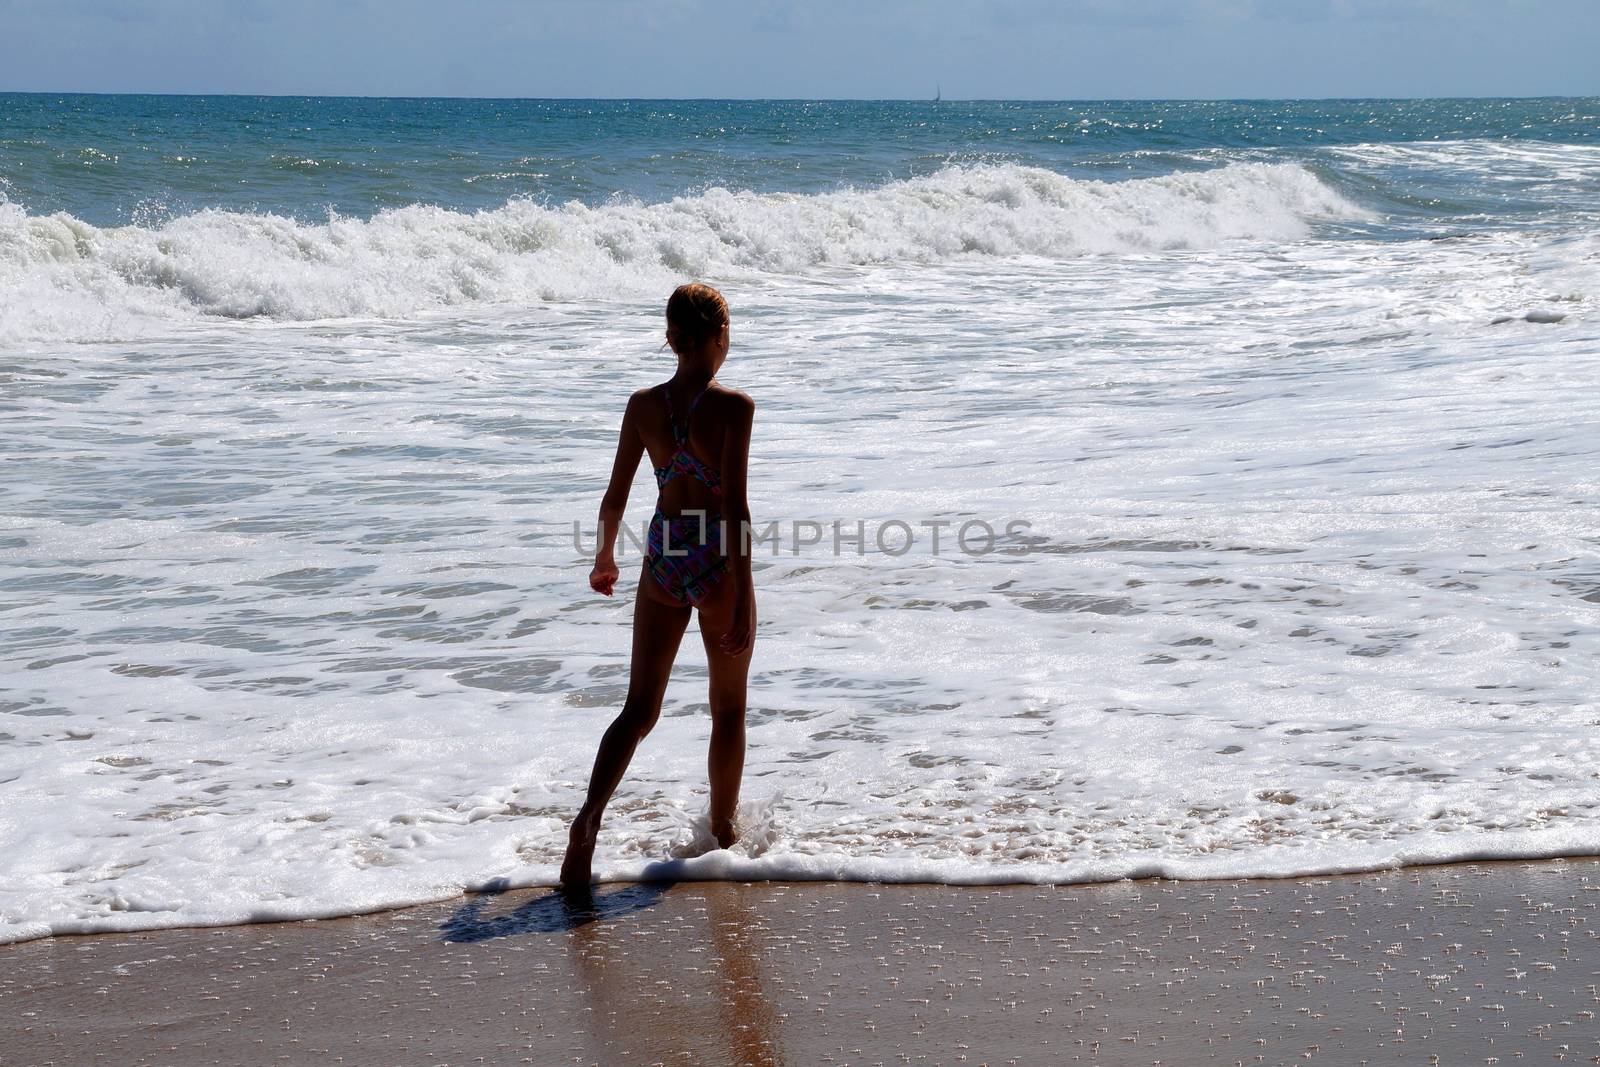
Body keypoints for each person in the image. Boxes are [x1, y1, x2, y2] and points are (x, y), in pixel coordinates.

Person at [560, 283, 756, 891]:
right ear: (720, 337)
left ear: (671, 338)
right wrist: (743, 593)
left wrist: (603, 559)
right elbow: (736, 511)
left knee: (639, 709)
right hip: (717, 560)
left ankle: (587, 822)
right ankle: (722, 839)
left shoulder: (643, 405)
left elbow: (616, 493)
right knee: (726, 710)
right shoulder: (734, 408)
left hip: (664, 553)